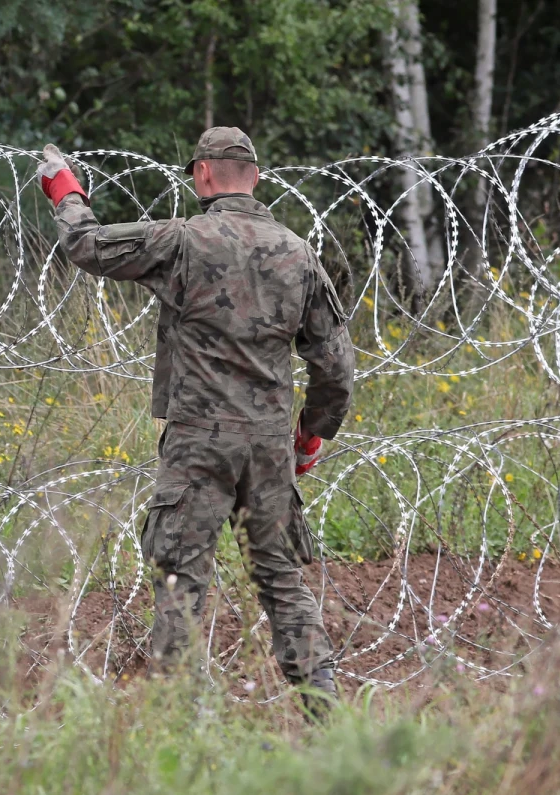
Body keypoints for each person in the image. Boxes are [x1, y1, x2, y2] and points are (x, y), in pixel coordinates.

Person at [38, 128, 354, 717]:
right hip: (267, 449)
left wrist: (65, 189)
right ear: (254, 177)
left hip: (199, 445)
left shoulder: (183, 241)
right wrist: (309, 435)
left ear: (203, 174)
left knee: (182, 582)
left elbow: (87, 246)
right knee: (282, 582)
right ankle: (328, 716)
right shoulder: (298, 253)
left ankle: (182, 723)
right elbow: (334, 367)